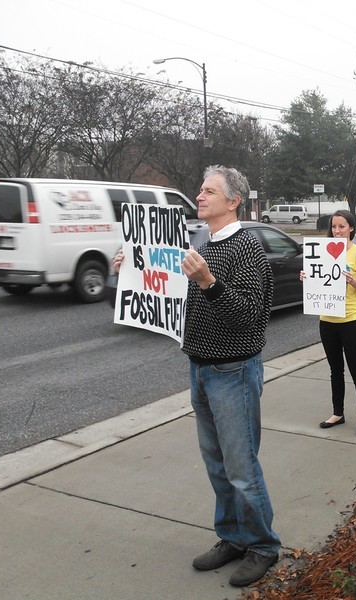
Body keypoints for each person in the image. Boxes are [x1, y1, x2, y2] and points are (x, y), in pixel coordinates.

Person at [112, 165, 281, 588]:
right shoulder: (200, 245)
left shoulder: (248, 249)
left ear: (233, 201)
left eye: (209, 191)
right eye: (201, 190)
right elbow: (174, 296)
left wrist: (208, 281)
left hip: (234, 370)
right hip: (201, 368)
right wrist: (132, 270)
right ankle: (232, 537)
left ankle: (262, 546)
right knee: (217, 465)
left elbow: (246, 319)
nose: (199, 196)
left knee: (242, 467)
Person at [300, 211, 356, 437]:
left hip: (351, 320)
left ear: (351, 228)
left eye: (342, 226)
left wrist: (352, 281)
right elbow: (318, 278)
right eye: (334, 227)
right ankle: (338, 413)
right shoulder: (322, 251)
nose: (337, 231)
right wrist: (306, 276)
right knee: (335, 370)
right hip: (327, 320)